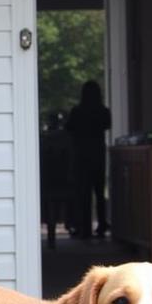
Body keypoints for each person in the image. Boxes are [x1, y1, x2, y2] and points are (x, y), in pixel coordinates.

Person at [66, 80, 111, 238]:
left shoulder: (77, 112)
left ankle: (83, 227)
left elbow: (69, 128)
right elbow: (107, 125)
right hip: (98, 154)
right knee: (99, 193)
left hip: (81, 155)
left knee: (82, 193)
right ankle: (101, 225)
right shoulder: (103, 111)